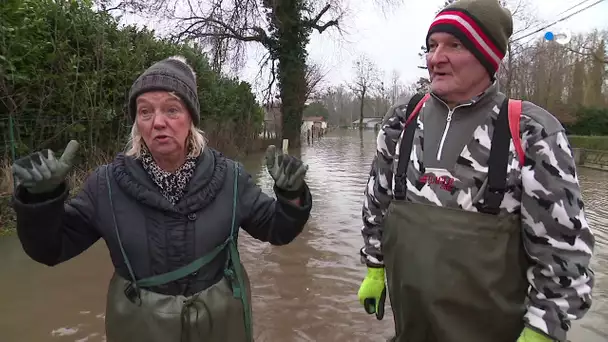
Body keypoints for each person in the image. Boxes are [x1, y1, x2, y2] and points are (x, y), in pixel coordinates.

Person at [11, 55, 313, 342]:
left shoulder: (231, 179)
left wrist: (290, 196)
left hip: (217, 326)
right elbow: (51, 250)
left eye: (171, 109)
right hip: (140, 327)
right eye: (145, 111)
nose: (158, 122)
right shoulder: (106, 185)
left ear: (190, 118)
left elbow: (278, 229)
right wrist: (42, 200)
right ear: (137, 123)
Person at [356, 1, 595, 342]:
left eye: (455, 45)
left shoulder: (530, 132)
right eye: (432, 45)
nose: (436, 58)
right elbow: (376, 204)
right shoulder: (401, 122)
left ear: (487, 56)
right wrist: (375, 266)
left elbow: (564, 251)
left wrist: (543, 329)